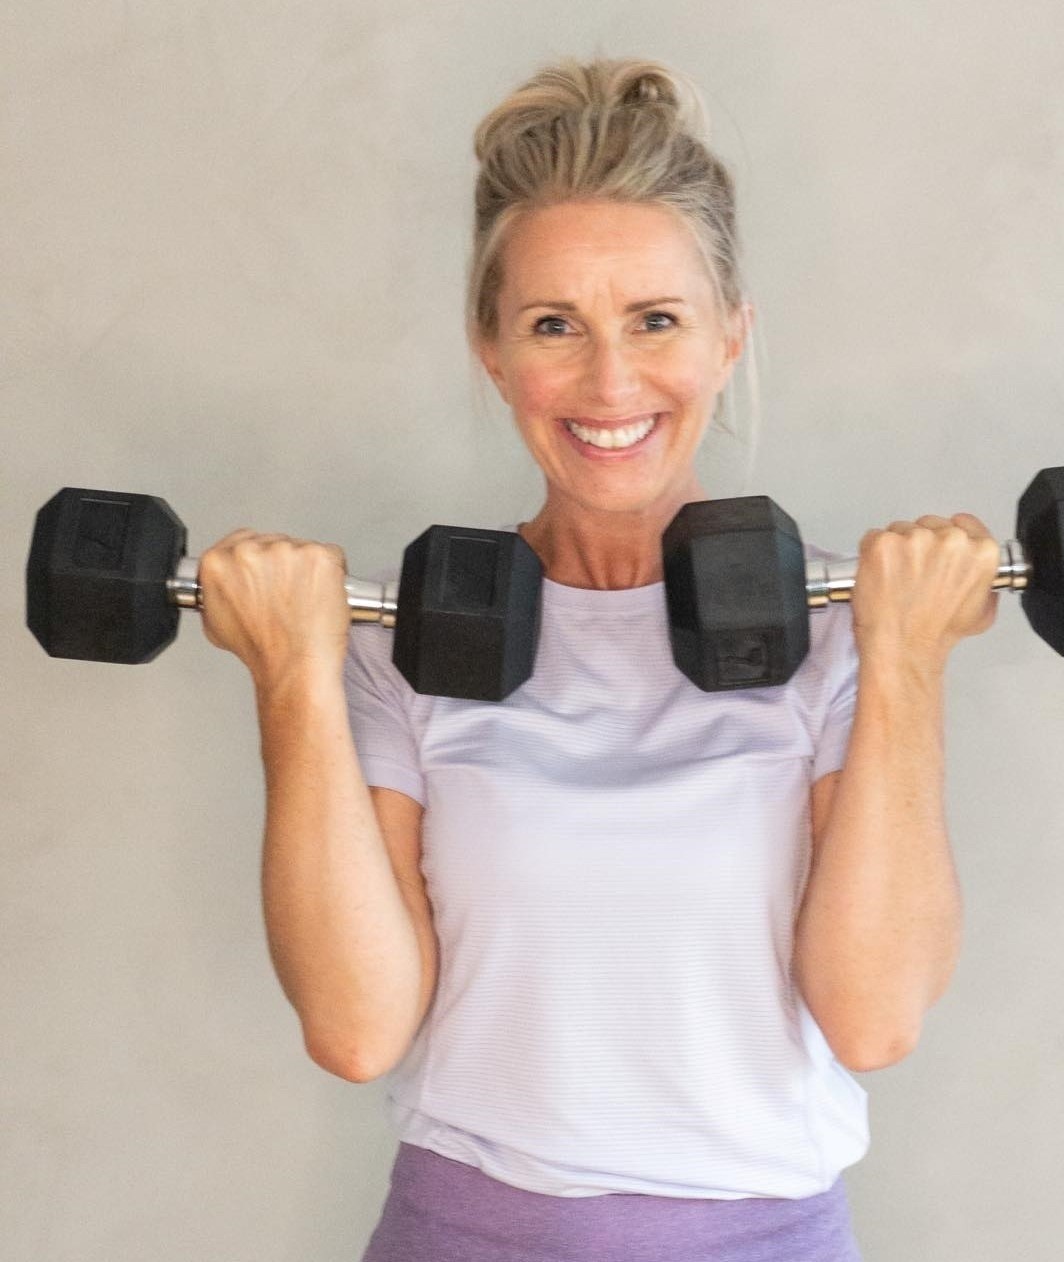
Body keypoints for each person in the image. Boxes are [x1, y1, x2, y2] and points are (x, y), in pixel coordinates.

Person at [197, 56, 1001, 1262]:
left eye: (656, 320)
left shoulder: (849, 631)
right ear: (491, 349)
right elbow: (358, 1029)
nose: (610, 380)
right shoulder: (401, 644)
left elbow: (874, 1016)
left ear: (730, 335)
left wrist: (906, 660)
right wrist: (289, 676)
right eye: (554, 325)